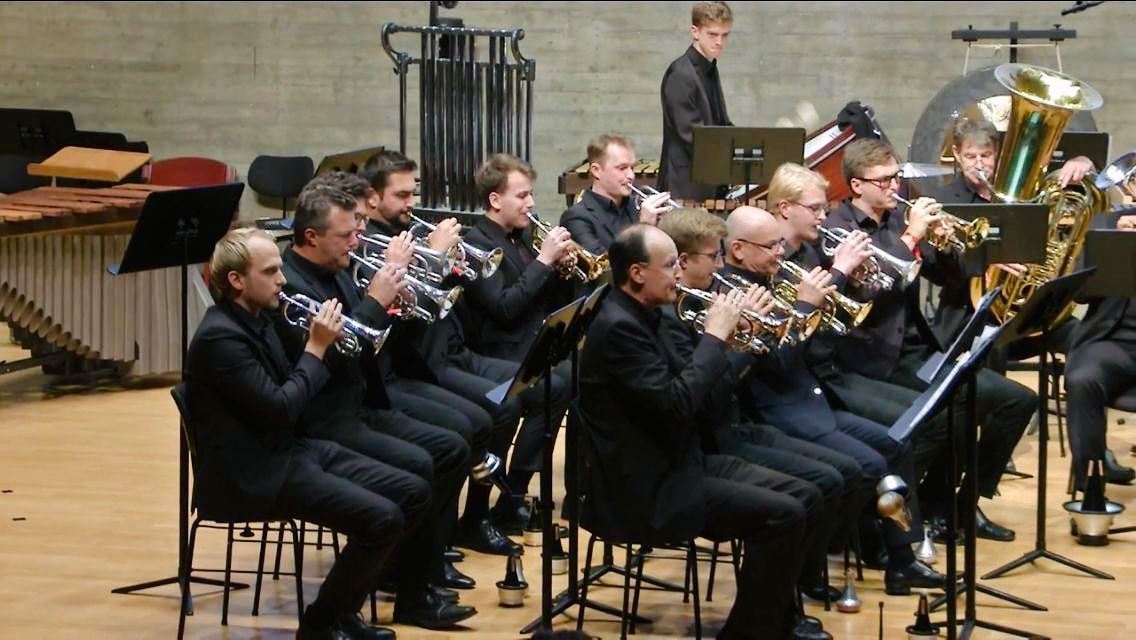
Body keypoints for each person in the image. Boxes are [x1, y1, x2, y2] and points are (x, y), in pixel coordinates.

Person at [580, 222, 824, 640]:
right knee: (783, 515)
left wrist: (729, 341)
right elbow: (677, 405)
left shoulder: (649, 314)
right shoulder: (619, 327)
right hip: (649, 485)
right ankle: (750, 632)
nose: (679, 273)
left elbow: (693, 390)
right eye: (670, 265)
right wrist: (715, 338)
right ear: (638, 273)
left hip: (679, 460)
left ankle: (775, 619)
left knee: (809, 495)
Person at [186, 227, 432, 639]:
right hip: (252, 472)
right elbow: (282, 407)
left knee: (412, 488)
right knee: (382, 518)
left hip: (289, 450)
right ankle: (320, 625)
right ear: (236, 280)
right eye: (270, 272)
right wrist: (315, 348)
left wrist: (329, 344)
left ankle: (344, 610)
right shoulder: (221, 338)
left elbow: (294, 389)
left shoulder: (260, 317)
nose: (283, 280)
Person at [272, 176, 477, 628]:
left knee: (451, 447)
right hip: (326, 421)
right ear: (311, 237)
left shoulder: (338, 267)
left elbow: (372, 340)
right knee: (421, 464)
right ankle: (411, 587)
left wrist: (393, 305)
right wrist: (373, 302)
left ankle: (413, 571)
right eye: (347, 235)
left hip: (364, 403)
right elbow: (342, 350)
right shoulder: (292, 288)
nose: (357, 241)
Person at [818, 138, 1037, 543]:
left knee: (1016, 400)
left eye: (896, 177)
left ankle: (957, 505)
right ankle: (882, 513)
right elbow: (867, 293)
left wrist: (940, 242)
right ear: (856, 186)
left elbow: (950, 278)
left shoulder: (898, 219)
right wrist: (911, 239)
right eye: (883, 181)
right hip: (870, 358)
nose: (894, 188)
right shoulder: (839, 228)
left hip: (918, 350)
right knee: (951, 411)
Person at [460, 154, 575, 511]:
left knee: (570, 379)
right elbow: (504, 309)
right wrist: (544, 262)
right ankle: (504, 497)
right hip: (496, 353)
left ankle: (516, 489)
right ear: (495, 200)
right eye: (522, 196)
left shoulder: (521, 238)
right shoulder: (475, 244)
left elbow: (544, 301)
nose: (532, 203)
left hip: (530, 344)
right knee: (553, 386)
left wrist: (561, 272)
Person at [1064, 208, 1136, 489]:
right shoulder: (1106, 223)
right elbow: (1081, 293)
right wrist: (1117, 246)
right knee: (1082, 380)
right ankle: (1090, 496)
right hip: (1110, 342)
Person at [658, 1, 734, 201]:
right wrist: (733, 160)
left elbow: (720, 125)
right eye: (712, 34)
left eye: (724, 35)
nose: (719, 42)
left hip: (706, 182)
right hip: (685, 188)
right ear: (695, 32)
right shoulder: (681, 74)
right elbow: (694, 138)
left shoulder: (709, 69)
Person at [560, 133, 672, 254]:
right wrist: (644, 227)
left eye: (632, 168)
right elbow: (604, 267)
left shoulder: (636, 205)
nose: (631, 175)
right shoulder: (576, 217)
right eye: (622, 168)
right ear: (596, 171)